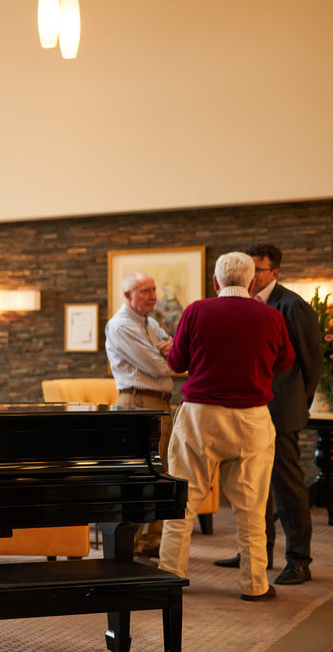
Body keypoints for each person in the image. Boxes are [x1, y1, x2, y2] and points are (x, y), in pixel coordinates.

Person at [157, 253, 293, 602]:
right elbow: (286, 360)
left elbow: (176, 363)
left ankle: (170, 577)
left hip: (201, 417)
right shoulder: (271, 315)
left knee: (181, 503)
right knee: (251, 507)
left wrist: (175, 348)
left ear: (216, 282)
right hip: (252, 419)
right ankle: (255, 584)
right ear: (251, 283)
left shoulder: (196, 312)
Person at [214, 245, 323, 585]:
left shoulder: (291, 305)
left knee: (286, 487)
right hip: (249, 412)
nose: (253, 275)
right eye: (250, 268)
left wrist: (298, 404)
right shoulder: (241, 305)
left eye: (259, 270)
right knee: (252, 486)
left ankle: (298, 559)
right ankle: (255, 553)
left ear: (274, 273)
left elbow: (312, 362)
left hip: (282, 411)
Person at [105, 270, 176, 557]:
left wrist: (170, 350)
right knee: (137, 474)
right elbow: (160, 367)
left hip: (159, 402)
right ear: (127, 295)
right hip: (137, 402)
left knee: (160, 472)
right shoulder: (122, 325)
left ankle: (151, 541)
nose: (152, 296)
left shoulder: (151, 323)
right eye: (145, 291)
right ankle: (128, 543)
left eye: (154, 290)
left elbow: (175, 351)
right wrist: (167, 353)